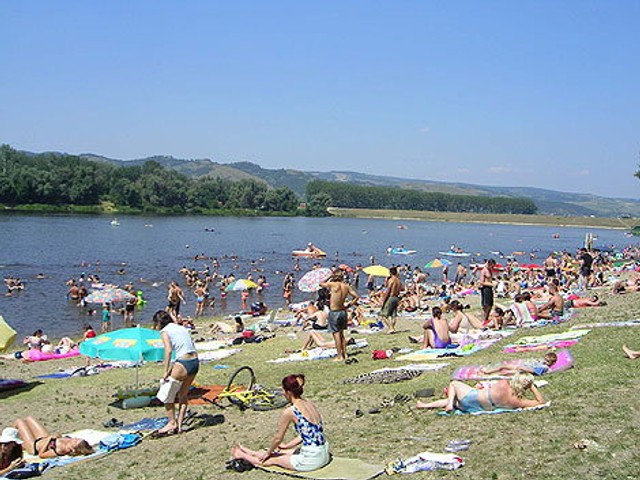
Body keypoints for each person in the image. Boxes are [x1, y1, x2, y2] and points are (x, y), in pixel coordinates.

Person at [230, 374, 330, 472]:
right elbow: (309, 432)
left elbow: (278, 438)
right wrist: (287, 446)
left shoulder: (291, 411)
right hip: (324, 453)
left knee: (272, 459)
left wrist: (268, 453)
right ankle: (252, 452)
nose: (283, 393)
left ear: (289, 392)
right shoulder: (309, 404)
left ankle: (240, 454)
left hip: (312, 459)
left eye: (283, 390)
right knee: (282, 452)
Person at [153, 310, 199, 435]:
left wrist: (165, 371)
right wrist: (170, 370)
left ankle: (171, 423)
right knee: (183, 395)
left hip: (183, 362)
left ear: (158, 323)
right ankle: (179, 426)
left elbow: (168, 350)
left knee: (166, 394)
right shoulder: (180, 327)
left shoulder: (164, 331)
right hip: (194, 362)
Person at [416, 372, 546, 412]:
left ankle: (448, 404)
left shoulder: (505, 383)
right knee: (455, 400)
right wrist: (532, 387)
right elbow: (540, 402)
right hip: (476, 407)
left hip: (473, 397)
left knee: (454, 384)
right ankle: (425, 405)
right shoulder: (518, 401)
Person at [319, 272, 359, 362]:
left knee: (336, 334)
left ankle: (339, 356)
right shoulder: (346, 286)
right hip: (343, 311)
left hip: (334, 312)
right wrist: (348, 305)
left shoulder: (333, 284)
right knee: (342, 334)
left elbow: (321, 284)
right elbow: (356, 297)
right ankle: (345, 354)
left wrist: (329, 276)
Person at [15, 417, 93, 458]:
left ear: (74, 449)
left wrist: (49, 439)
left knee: (19, 422)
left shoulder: (60, 450)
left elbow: (41, 455)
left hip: (34, 446)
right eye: (77, 439)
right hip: (43, 438)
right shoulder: (69, 440)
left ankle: (10, 442)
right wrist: (57, 436)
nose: (75, 439)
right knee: (29, 418)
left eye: (76, 442)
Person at [480, 352, 558, 376]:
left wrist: (522, 368)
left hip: (524, 372)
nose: (545, 362)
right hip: (522, 367)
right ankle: (488, 372)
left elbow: (534, 371)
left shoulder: (545, 368)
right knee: (503, 366)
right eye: (545, 360)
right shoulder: (542, 363)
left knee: (506, 372)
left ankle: (492, 375)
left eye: (547, 361)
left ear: (552, 363)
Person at [379, 266, 403, 334]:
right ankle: (392, 328)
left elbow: (388, 291)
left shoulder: (391, 280)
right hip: (396, 298)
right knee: (393, 315)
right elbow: (402, 289)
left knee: (383, 315)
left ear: (390, 273)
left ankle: (391, 328)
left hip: (391, 297)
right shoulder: (398, 281)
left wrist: (384, 300)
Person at [479, 259, 496, 325]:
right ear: (489, 264)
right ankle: (484, 319)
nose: (493, 267)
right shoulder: (484, 270)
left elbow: (490, 279)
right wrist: (492, 284)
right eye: (492, 266)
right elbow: (481, 282)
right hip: (485, 288)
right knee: (486, 305)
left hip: (490, 288)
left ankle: (486, 318)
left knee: (490, 304)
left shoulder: (489, 270)